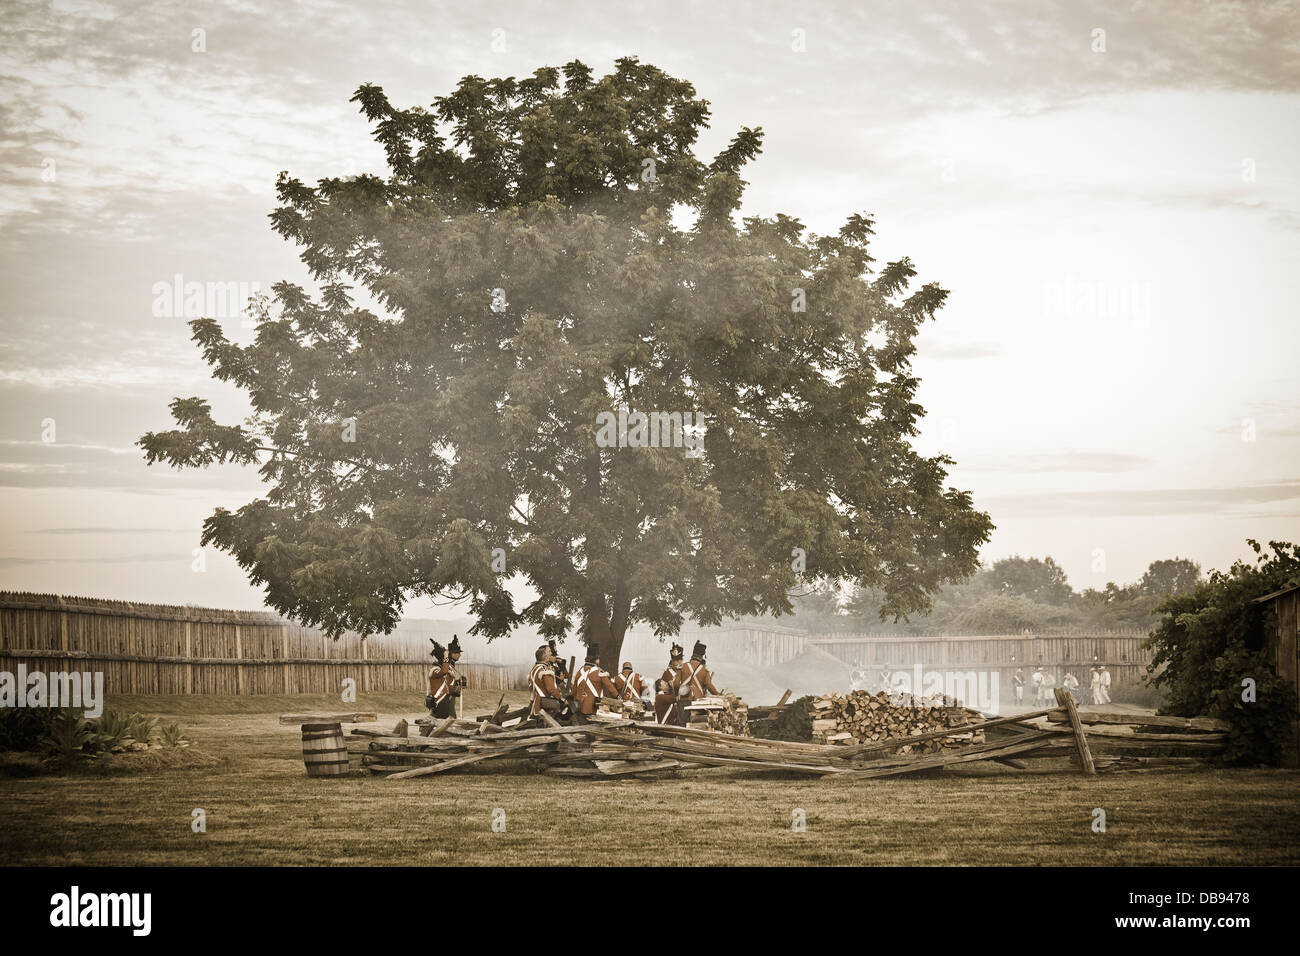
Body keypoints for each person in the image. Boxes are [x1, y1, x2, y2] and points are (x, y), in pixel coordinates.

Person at [571, 645, 619, 716]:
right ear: (595, 660)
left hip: (580, 706)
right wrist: (617, 696)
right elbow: (609, 686)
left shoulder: (579, 672)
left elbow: (574, 690)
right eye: (598, 659)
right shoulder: (599, 672)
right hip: (592, 708)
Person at [529, 644, 569, 720]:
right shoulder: (545, 670)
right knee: (568, 705)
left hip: (537, 700)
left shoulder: (535, 669)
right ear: (544, 655)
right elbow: (551, 689)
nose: (551, 654)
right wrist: (562, 699)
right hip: (545, 700)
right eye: (549, 651)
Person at [426, 641, 455, 719]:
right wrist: (446, 656)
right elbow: (444, 671)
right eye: (446, 659)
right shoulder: (435, 670)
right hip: (437, 702)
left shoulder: (446, 671)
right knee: (435, 721)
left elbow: (449, 685)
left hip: (445, 701)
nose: (448, 660)